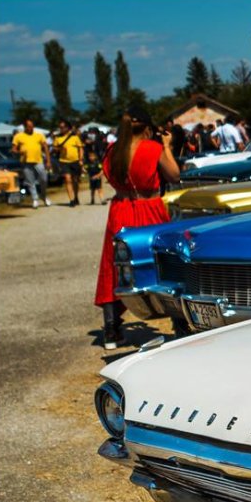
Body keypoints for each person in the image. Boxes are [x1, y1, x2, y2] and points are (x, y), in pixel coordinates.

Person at [95, 105, 180, 350]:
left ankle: (111, 329)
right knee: (163, 263)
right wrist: (166, 146)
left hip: (121, 208)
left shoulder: (113, 151)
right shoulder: (152, 148)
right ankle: (178, 322)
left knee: (114, 265)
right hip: (149, 207)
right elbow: (174, 175)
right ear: (147, 126)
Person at [12, 119, 52, 208]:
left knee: (44, 179)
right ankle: (35, 199)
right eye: (29, 126)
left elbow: (45, 147)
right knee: (30, 181)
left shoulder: (39, 135)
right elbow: (13, 149)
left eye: (32, 126)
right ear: (25, 127)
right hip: (25, 162)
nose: (31, 128)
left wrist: (48, 161)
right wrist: (19, 152)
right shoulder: (18, 136)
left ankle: (43, 196)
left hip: (38, 161)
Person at [53, 120, 85, 206]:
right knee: (68, 179)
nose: (62, 129)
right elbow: (55, 148)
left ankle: (76, 196)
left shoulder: (75, 137)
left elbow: (80, 148)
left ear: (67, 128)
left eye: (63, 127)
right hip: (64, 161)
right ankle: (71, 200)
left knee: (75, 180)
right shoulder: (57, 138)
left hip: (75, 161)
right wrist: (59, 149)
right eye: (60, 127)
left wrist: (81, 159)